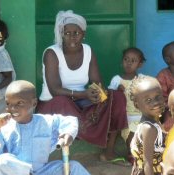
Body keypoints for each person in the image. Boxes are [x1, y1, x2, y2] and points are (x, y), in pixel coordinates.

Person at [36, 10, 127, 162]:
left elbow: (96, 82)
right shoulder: (52, 53)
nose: (72, 36)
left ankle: (108, 150)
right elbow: (54, 90)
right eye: (67, 33)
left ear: (83, 34)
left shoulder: (88, 50)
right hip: (53, 104)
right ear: (62, 34)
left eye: (76, 32)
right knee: (62, 101)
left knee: (115, 96)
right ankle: (85, 129)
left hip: (81, 102)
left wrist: (101, 94)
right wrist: (85, 94)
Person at [128, 76, 166, 175]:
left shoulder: (154, 121)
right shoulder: (148, 128)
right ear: (137, 105)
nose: (155, 102)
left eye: (158, 97)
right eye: (148, 100)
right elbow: (147, 164)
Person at [108, 47, 145, 164]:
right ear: (122, 61)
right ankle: (132, 154)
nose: (129, 63)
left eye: (133, 61)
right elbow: (109, 99)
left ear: (140, 64)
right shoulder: (117, 80)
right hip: (126, 119)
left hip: (141, 117)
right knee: (132, 136)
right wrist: (116, 91)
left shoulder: (142, 80)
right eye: (126, 59)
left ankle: (143, 155)